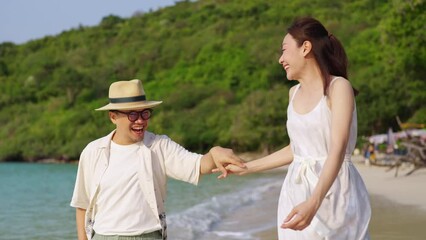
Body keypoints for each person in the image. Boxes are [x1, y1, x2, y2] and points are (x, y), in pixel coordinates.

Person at [220, 17, 371, 239]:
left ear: (306, 48)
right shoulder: (293, 94)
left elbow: (337, 149)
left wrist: (314, 201)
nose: (281, 59)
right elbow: (296, 149)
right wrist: (247, 167)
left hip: (335, 192)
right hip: (296, 191)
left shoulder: (339, 87)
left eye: (284, 50)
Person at [70, 79, 245, 240]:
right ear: (113, 117)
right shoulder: (93, 151)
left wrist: (214, 152)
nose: (140, 121)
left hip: (149, 236)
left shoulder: (159, 146)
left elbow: (199, 165)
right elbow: (82, 204)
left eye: (145, 113)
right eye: (132, 114)